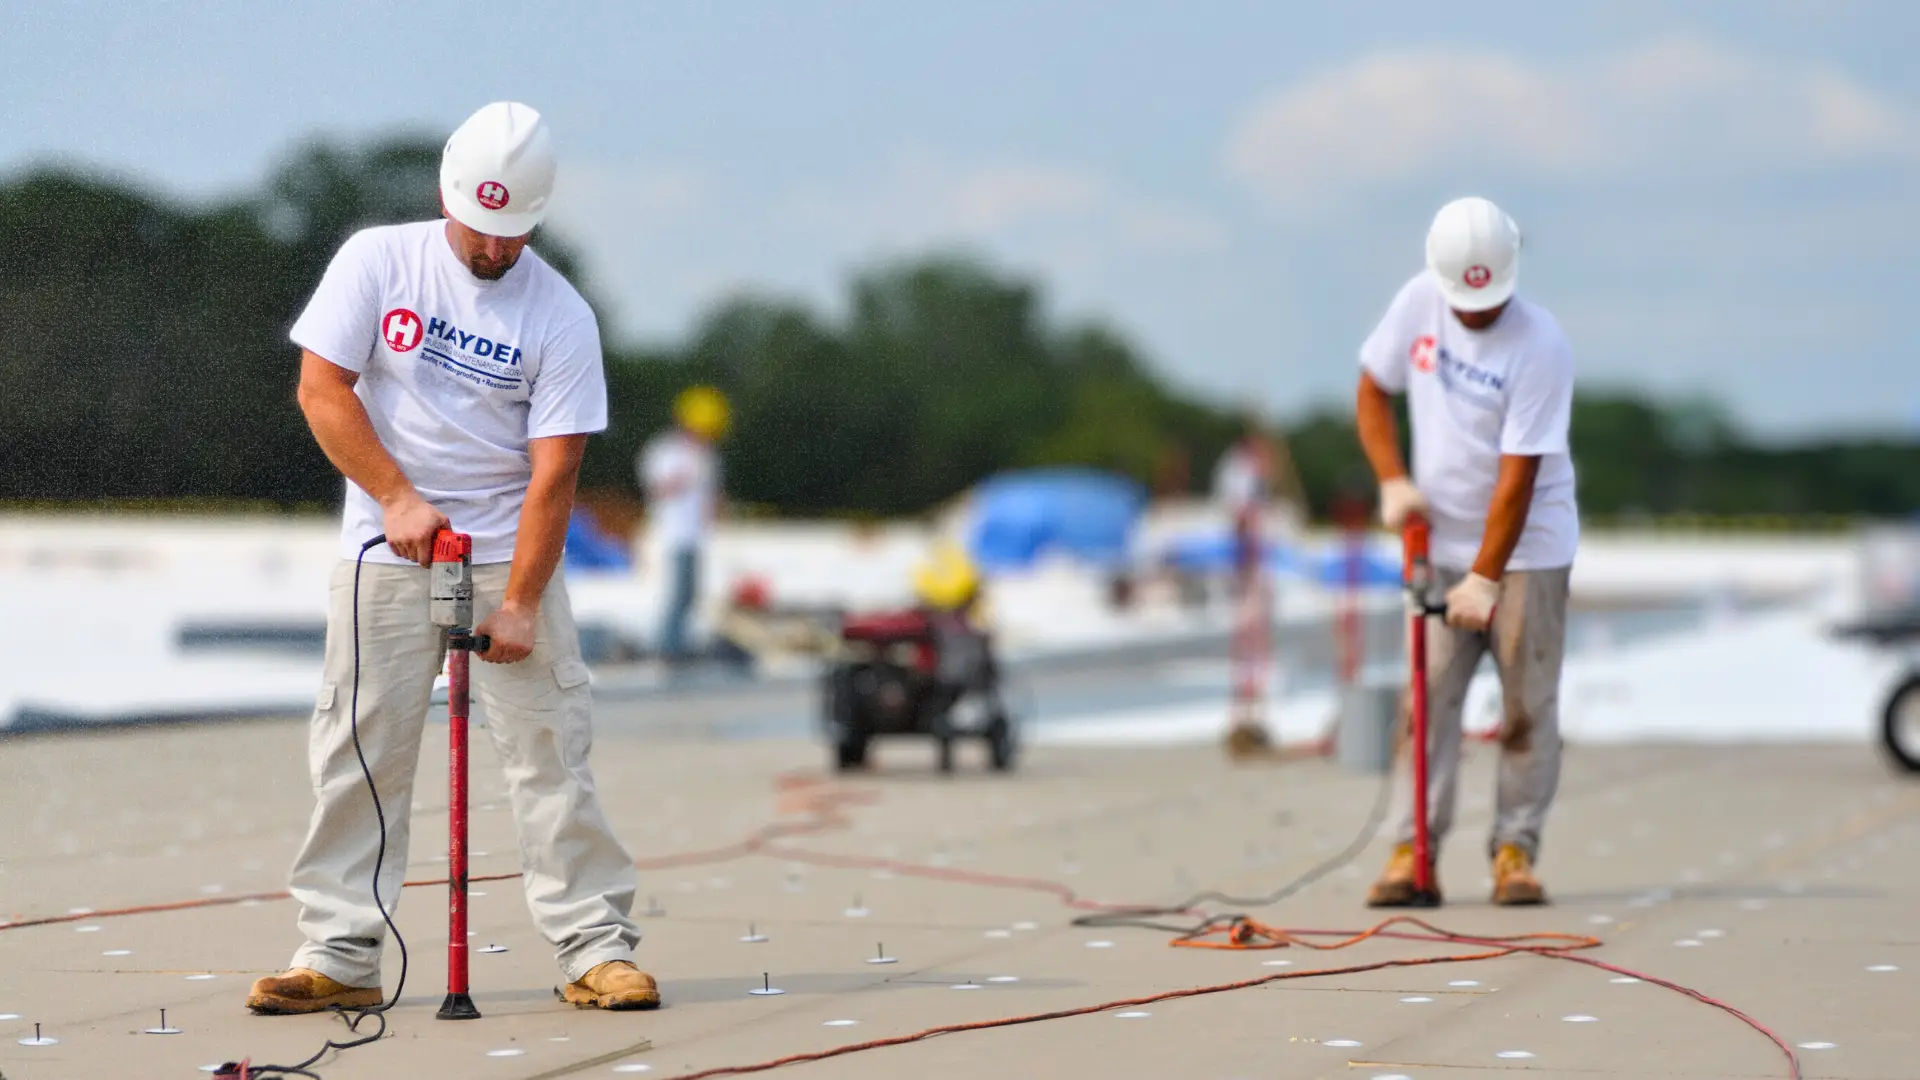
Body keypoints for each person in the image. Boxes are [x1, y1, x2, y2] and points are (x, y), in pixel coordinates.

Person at [247, 101, 658, 1014]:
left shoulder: (561, 315)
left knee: (551, 752)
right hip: (385, 553)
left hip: (510, 551)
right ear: (448, 192)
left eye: (515, 234)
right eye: (482, 227)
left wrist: (518, 601)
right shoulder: (377, 261)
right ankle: (341, 952)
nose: (495, 251)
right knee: (359, 746)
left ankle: (594, 947)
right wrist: (396, 496)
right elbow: (322, 388)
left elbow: (556, 474)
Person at [1354, 195, 1579, 907]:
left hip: (1527, 552)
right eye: (1465, 304)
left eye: (1488, 304)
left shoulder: (1540, 344)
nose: (1476, 315)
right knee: (1426, 702)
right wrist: (1393, 480)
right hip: (1436, 540)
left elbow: (1519, 480)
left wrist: (1485, 577)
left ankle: (1515, 849)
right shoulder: (1419, 301)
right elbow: (1371, 389)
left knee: (1525, 707)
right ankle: (1408, 848)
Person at [638, 386, 728, 664]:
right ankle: (667, 650)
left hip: (694, 537)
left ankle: (677, 647)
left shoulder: (707, 455)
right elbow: (657, 487)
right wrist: (684, 477)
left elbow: (712, 497)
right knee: (676, 596)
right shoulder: (665, 450)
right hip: (671, 535)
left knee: (690, 595)